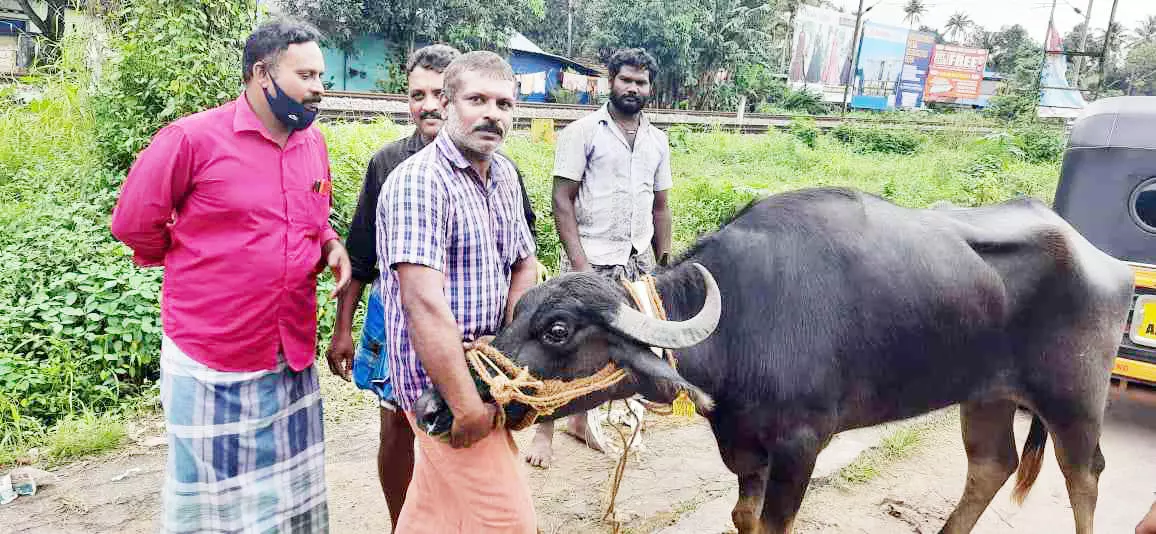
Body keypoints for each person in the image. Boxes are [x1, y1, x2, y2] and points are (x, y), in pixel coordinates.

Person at [109, 19, 349, 533]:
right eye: (305, 74)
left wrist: (329, 243)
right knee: (214, 509)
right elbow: (134, 223)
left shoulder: (313, 143)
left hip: (290, 351)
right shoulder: (190, 139)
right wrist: (200, 265)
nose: (318, 88)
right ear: (262, 74)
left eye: (320, 75)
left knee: (288, 498)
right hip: (213, 353)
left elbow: (314, 215)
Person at [324, 43, 537, 530]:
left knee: (432, 514)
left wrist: (504, 343)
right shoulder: (418, 181)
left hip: (487, 371)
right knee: (511, 522)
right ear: (448, 102)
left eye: (504, 105)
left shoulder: (502, 173)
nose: (492, 115)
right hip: (442, 391)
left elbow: (525, 265)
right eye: (477, 100)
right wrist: (466, 406)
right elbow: (423, 304)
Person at [523, 47, 672, 468]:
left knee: (624, 344)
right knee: (565, 345)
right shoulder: (583, 132)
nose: (632, 88)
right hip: (590, 257)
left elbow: (661, 206)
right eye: (626, 79)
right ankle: (545, 429)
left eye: (640, 82)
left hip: (636, 259)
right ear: (612, 81)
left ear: (649, 88)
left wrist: (663, 262)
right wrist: (580, 265)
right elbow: (561, 199)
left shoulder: (657, 141)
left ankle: (585, 421)